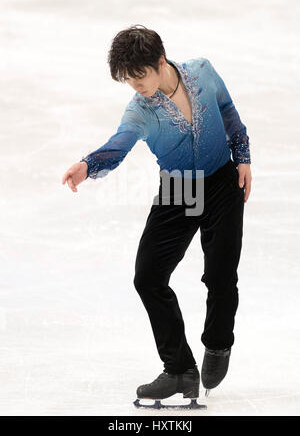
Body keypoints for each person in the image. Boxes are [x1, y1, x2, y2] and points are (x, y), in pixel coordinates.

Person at [61, 24, 252, 407]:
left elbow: (228, 110)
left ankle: (217, 344)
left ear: (160, 61)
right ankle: (179, 368)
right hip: (179, 189)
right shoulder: (140, 110)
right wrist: (89, 164)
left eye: (139, 76)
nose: (135, 86)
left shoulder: (201, 72)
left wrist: (243, 157)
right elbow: (120, 144)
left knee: (220, 273)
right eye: (127, 80)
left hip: (220, 181)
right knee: (148, 276)